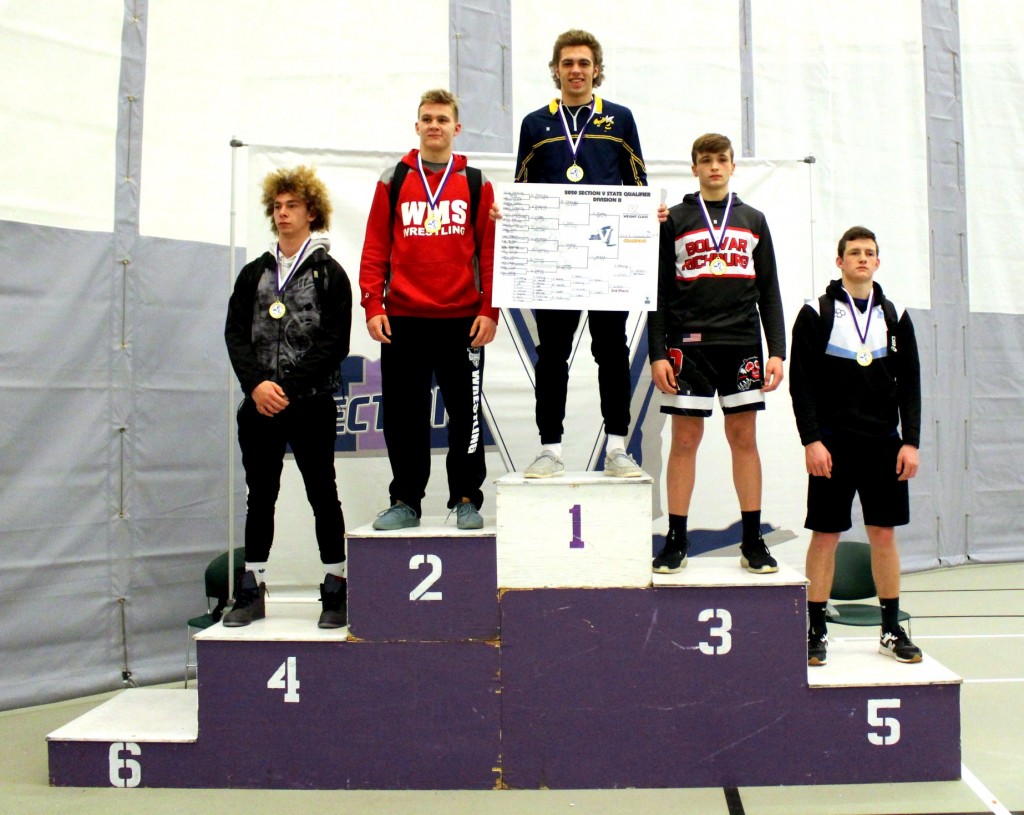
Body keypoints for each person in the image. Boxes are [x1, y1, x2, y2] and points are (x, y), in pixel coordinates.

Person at [359, 89, 498, 531]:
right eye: (427, 118)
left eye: (442, 119)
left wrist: (489, 309)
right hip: (404, 319)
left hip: (462, 321)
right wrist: (373, 304)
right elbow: (375, 247)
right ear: (416, 126)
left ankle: (466, 499)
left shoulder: (476, 182)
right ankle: (405, 501)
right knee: (405, 418)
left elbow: (490, 252)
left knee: (466, 416)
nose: (434, 125)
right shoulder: (394, 179)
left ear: (457, 128)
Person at [648, 133, 785, 575]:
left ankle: (752, 541)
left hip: (742, 343)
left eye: (721, 160)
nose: (713, 167)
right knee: (685, 441)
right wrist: (657, 352)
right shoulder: (674, 219)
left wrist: (777, 351)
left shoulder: (754, 219)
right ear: (694, 168)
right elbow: (658, 291)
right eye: (705, 160)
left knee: (743, 439)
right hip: (687, 346)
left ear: (731, 166)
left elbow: (769, 290)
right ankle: (676, 539)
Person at [513, 28, 647, 479]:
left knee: (611, 351)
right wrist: (508, 214)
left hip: (607, 259)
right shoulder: (535, 124)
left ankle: (617, 448)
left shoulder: (620, 119)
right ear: (555, 70)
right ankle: (549, 449)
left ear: (596, 70)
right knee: (552, 355)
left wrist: (649, 216)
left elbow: (638, 185)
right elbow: (523, 191)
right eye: (567, 63)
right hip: (556, 260)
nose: (576, 70)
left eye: (583, 63)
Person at [223, 165, 352, 629]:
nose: (282, 213)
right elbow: (235, 334)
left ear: (311, 212)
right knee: (260, 497)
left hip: (310, 403)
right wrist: (256, 386)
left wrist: (289, 389)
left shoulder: (329, 275)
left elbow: (334, 343)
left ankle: (335, 588)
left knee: (323, 493)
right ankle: (252, 589)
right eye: (277, 206)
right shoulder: (254, 273)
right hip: (260, 404)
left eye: (292, 206)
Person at [790, 226, 922, 666]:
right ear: (840, 261)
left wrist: (911, 442)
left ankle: (890, 629)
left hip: (884, 445)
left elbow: (911, 385)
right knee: (826, 535)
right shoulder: (816, 312)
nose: (862, 258)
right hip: (833, 445)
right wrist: (811, 440)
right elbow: (802, 384)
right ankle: (815, 630)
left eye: (869, 253)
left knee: (883, 535)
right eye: (854, 252)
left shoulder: (895, 315)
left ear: (878, 262)